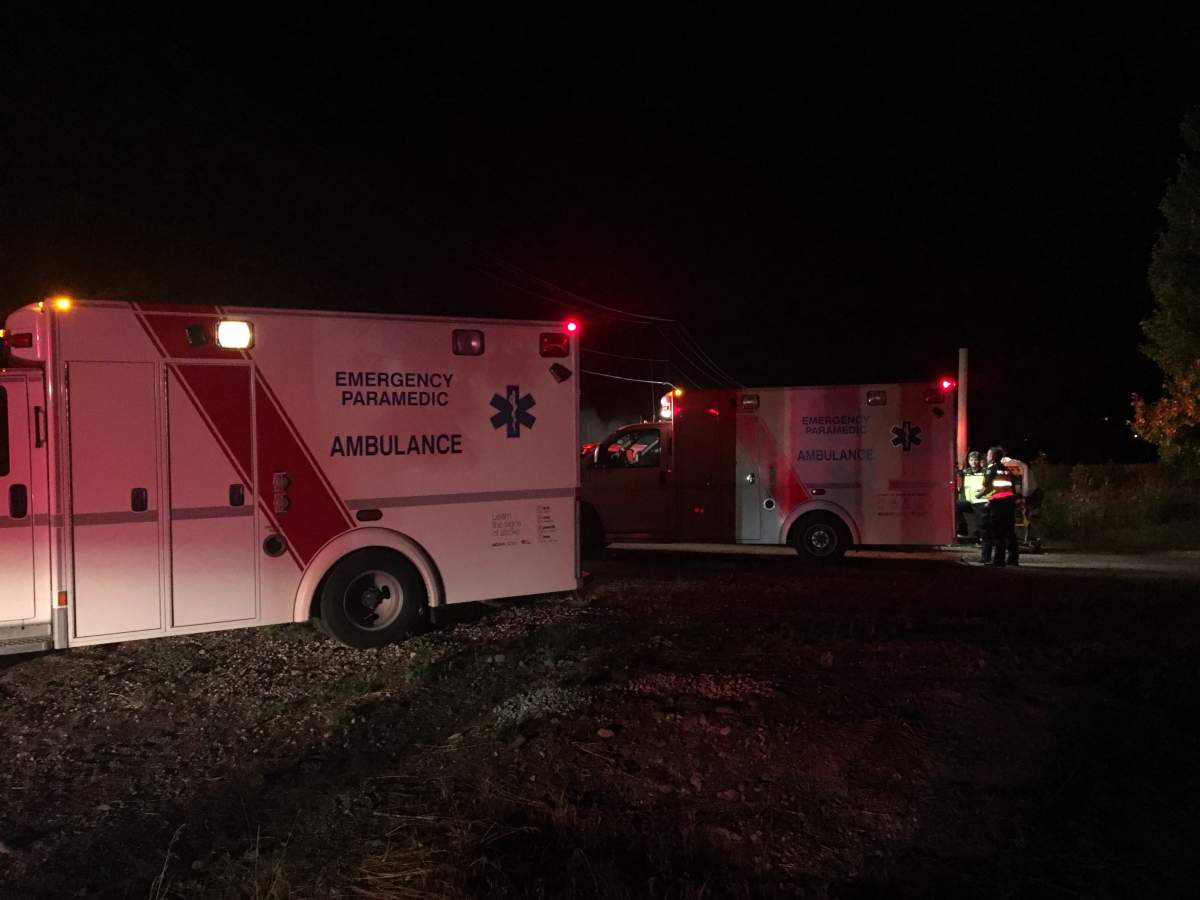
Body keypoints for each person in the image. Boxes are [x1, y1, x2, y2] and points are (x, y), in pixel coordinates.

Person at [977, 445, 1018, 567]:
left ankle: (998, 560)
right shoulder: (1006, 469)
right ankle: (1013, 559)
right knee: (1009, 531)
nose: (987, 456)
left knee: (998, 532)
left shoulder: (991, 469)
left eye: (988, 454)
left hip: (998, 503)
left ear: (992, 456)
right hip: (1009, 502)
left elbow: (987, 487)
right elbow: (1012, 486)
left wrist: (978, 495)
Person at [956, 451, 986, 540]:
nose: (973, 462)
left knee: (981, 522)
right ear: (969, 461)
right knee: (955, 506)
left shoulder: (985, 472)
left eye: (976, 460)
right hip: (969, 502)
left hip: (981, 501)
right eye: (971, 460)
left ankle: (981, 538)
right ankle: (962, 530)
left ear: (979, 461)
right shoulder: (966, 472)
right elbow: (957, 472)